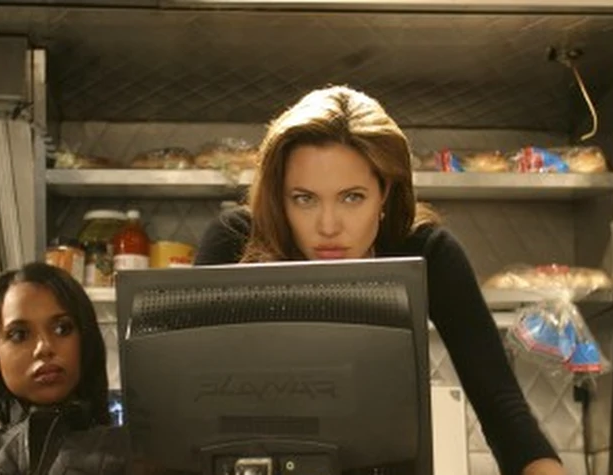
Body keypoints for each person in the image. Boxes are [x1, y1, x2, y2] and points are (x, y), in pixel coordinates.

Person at [194, 85, 565, 475]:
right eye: (304, 199)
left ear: (385, 192)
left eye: (352, 197)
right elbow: (184, 405)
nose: (328, 226)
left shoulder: (428, 252)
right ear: (279, 197)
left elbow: (503, 410)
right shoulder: (234, 243)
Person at [0, 262, 127, 475]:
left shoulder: (133, 455)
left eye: (62, 329)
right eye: (19, 335)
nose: (44, 348)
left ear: (85, 340)